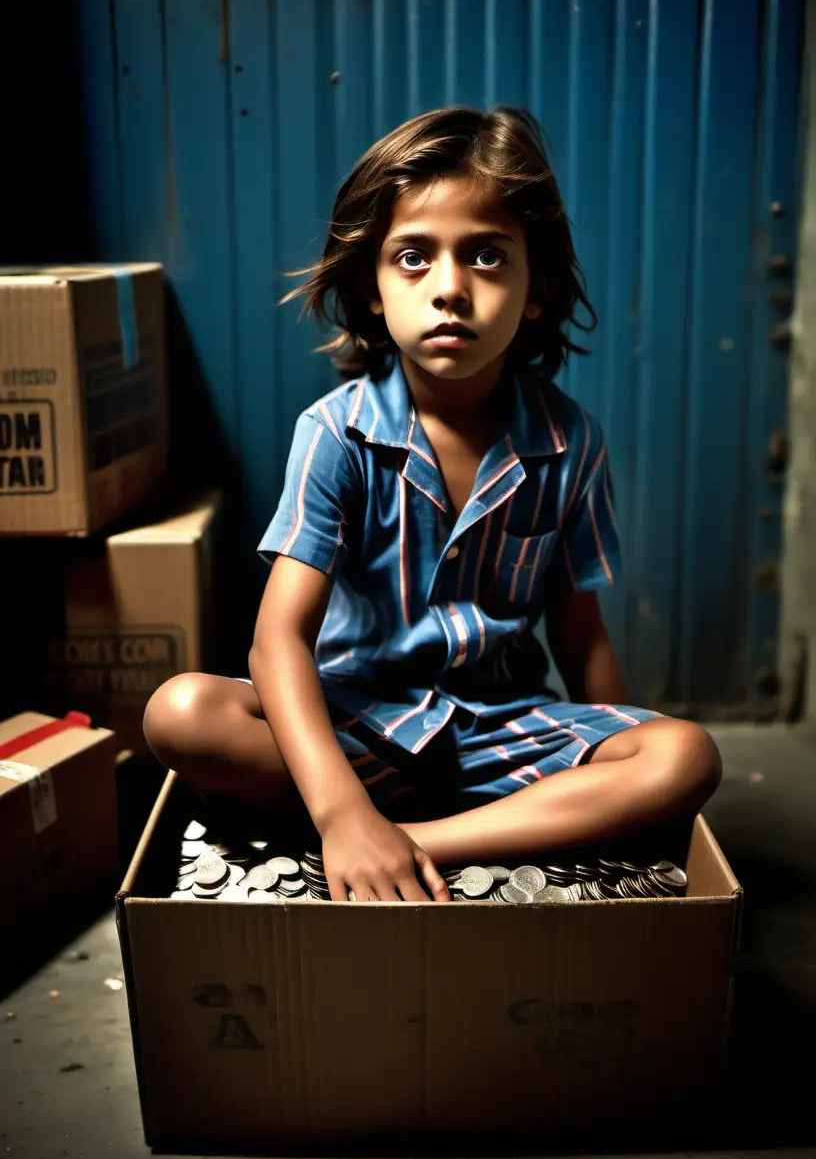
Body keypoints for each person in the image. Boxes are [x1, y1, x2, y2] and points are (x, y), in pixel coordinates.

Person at [144, 106, 722, 904]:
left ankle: (412, 839)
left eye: (487, 257)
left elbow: (581, 633)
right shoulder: (336, 433)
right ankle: (364, 819)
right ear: (373, 292)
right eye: (413, 258)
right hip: (359, 728)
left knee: (683, 756)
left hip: (501, 734)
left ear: (536, 292)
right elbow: (278, 642)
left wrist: (613, 777)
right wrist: (342, 804)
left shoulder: (571, 441)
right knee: (182, 711)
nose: (450, 289)